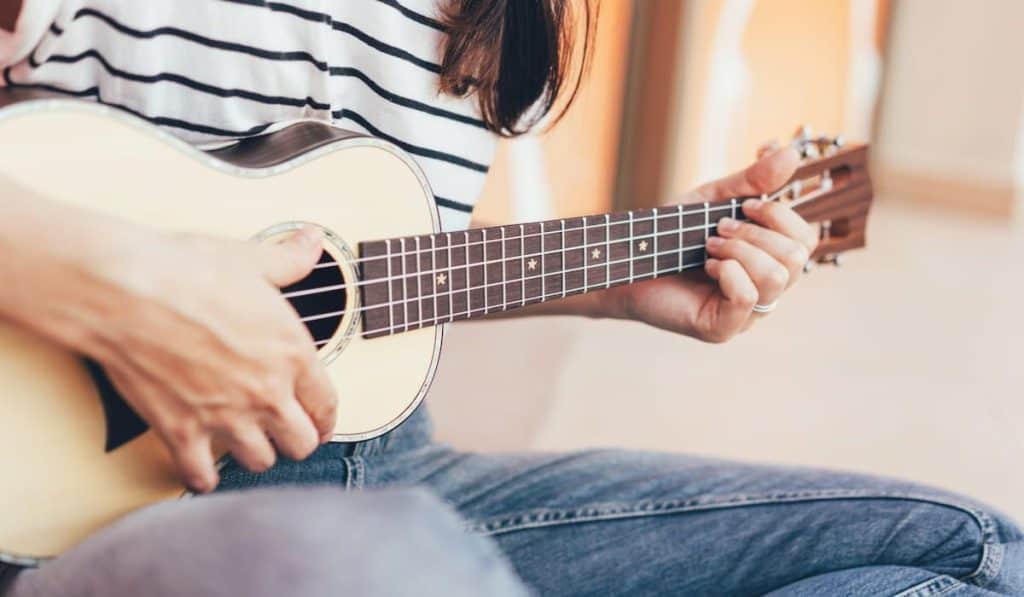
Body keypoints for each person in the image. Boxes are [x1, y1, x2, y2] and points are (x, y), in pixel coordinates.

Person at [0, 1, 1020, 596]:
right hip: (96, 501)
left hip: (383, 470)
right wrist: (124, 288)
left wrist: (612, 282)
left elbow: (341, 274)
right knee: (389, 564)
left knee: (966, 556)